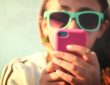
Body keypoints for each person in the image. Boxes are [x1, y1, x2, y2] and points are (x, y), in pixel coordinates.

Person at [0, 0, 110, 85]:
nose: (72, 27)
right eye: (60, 17)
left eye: (88, 19)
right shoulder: (21, 72)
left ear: (101, 28)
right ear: (44, 27)